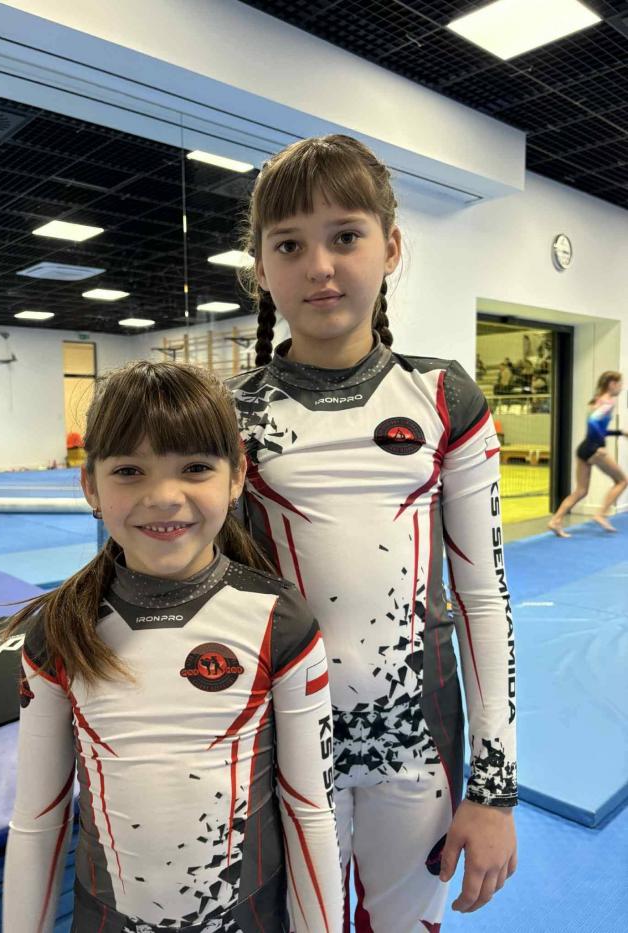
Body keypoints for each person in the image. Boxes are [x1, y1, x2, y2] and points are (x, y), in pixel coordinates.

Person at [228, 134, 517, 933]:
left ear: (390, 247)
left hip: (418, 746)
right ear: (261, 268)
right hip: (289, 746)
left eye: (345, 236)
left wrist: (494, 788)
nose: (320, 266)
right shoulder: (233, 415)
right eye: (290, 245)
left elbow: (484, 597)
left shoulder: (443, 398)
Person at [1, 361, 343, 933]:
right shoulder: (60, 630)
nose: (163, 496)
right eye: (129, 471)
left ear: (236, 477)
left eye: (194, 468)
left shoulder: (278, 620)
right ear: (90, 486)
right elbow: (38, 821)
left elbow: (310, 813)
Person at [548, 370, 627, 537]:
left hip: (584, 448)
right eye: (620, 384)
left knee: (581, 491)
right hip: (594, 449)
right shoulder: (608, 402)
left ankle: (556, 520)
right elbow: (593, 424)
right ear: (612, 384)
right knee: (622, 481)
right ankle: (601, 514)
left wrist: (620, 432)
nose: (621, 387)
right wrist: (600, 446)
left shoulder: (597, 400)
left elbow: (599, 428)